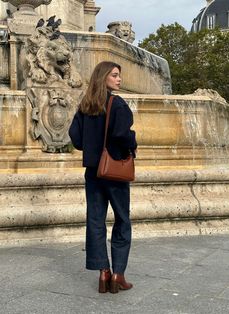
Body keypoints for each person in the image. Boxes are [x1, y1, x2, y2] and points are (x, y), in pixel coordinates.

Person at [69, 61, 137, 294]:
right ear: (103, 78)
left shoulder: (86, 106)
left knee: (96, 221)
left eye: (119, 76)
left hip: (93, 173)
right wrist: (132, 142)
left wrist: (92, 147)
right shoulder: (117, 104)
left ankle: (103, 272)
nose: (119, 80)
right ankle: (118, 273)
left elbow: (75, 137)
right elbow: (122, 134)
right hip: (115, 171)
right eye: (115, 75)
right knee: (122, 220)